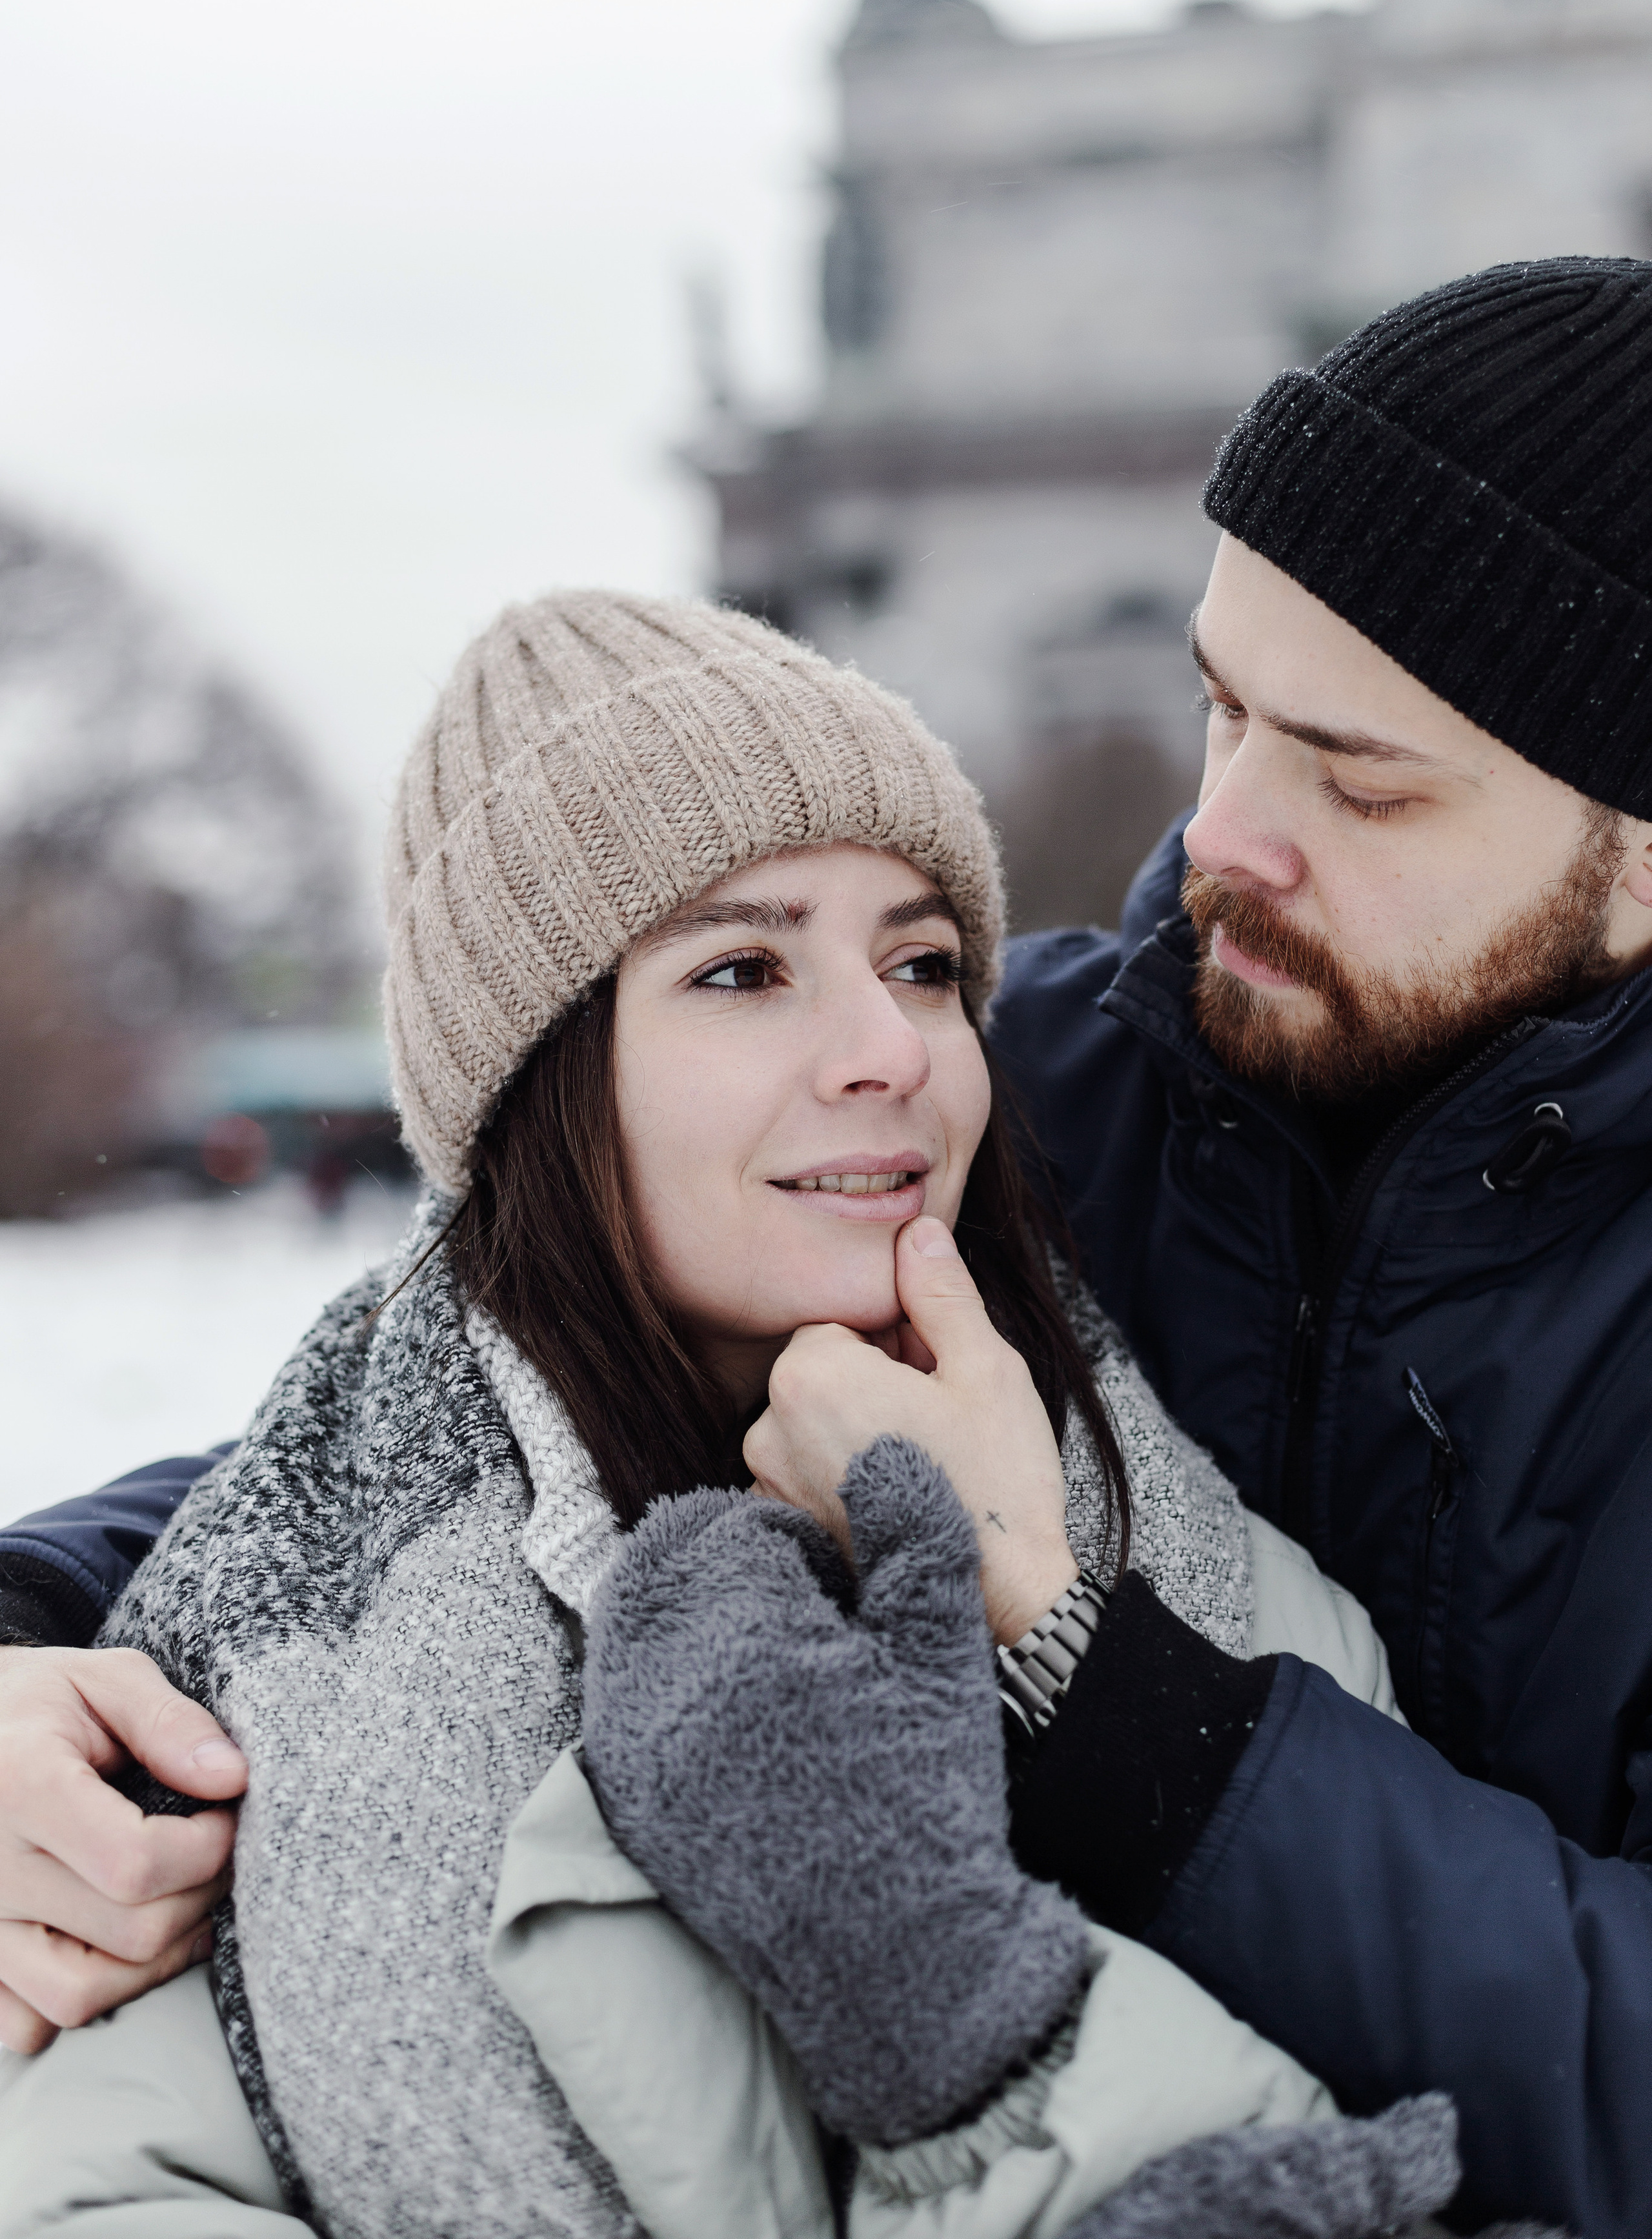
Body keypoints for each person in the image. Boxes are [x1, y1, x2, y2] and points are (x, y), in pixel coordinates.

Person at [3, 250, 1649, 2231]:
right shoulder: (1030, 1072)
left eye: (1363, 784)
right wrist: (27, 1642)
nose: (1222, 839)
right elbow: (489, 1405)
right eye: (1222, 710)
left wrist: (1108, 1698)